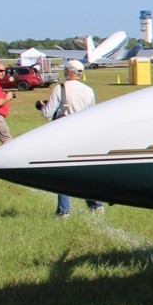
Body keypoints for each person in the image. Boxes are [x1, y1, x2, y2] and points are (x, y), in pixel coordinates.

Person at [39, 59, 106, 216]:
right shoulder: (88, 90)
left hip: (65, 134)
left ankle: (64, 211)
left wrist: (42, 105)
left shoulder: (60, 88)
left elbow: (47, 114)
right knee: (85, 171)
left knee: (62, 173)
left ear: (68, 72)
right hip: (84, 135)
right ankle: (96, 204)